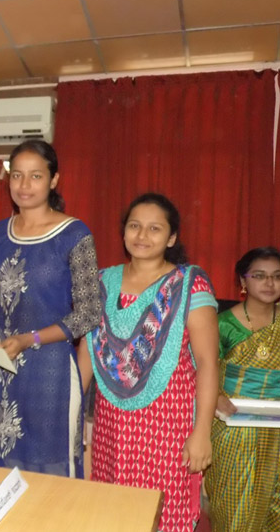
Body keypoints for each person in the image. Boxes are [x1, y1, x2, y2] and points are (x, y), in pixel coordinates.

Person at [0, 139, 101, 477]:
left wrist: (29, 339)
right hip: (4, 367)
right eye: (17, 175)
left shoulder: (74, 234)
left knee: (49, 469)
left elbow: (88, 313)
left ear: (54, 180)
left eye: (35, 176)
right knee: (2, 466)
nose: (24, 185)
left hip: (51, 370)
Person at [78, 193, 219, 532]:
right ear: (123, 232)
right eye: (134, 226)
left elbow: (207, 362)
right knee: (113, 509)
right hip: (112, 423)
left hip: (169, 424)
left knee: (163, 510)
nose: (142, 235)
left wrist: (202, 432)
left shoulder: (189, 284)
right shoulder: (102, 282)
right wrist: (72, 415)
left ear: (171, 238)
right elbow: (87, 353)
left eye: (155, 228)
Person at [204, 247, 280, 531]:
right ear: (243, 281)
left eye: (277, 276)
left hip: (278, 429)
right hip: (233, 427)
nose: (270, 283)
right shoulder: (221, 323)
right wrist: (215, 398)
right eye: (259, 276)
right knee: (235, 512)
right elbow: (200, 367)